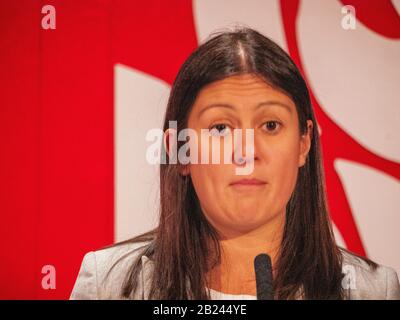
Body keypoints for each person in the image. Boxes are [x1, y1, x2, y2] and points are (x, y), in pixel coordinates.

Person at [70, 27, 400, 300]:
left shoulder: (374, 291)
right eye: (220, 128)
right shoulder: (108, 286)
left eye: (270, 125)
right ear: (178, 149)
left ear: (304, 144)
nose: (245, 152)